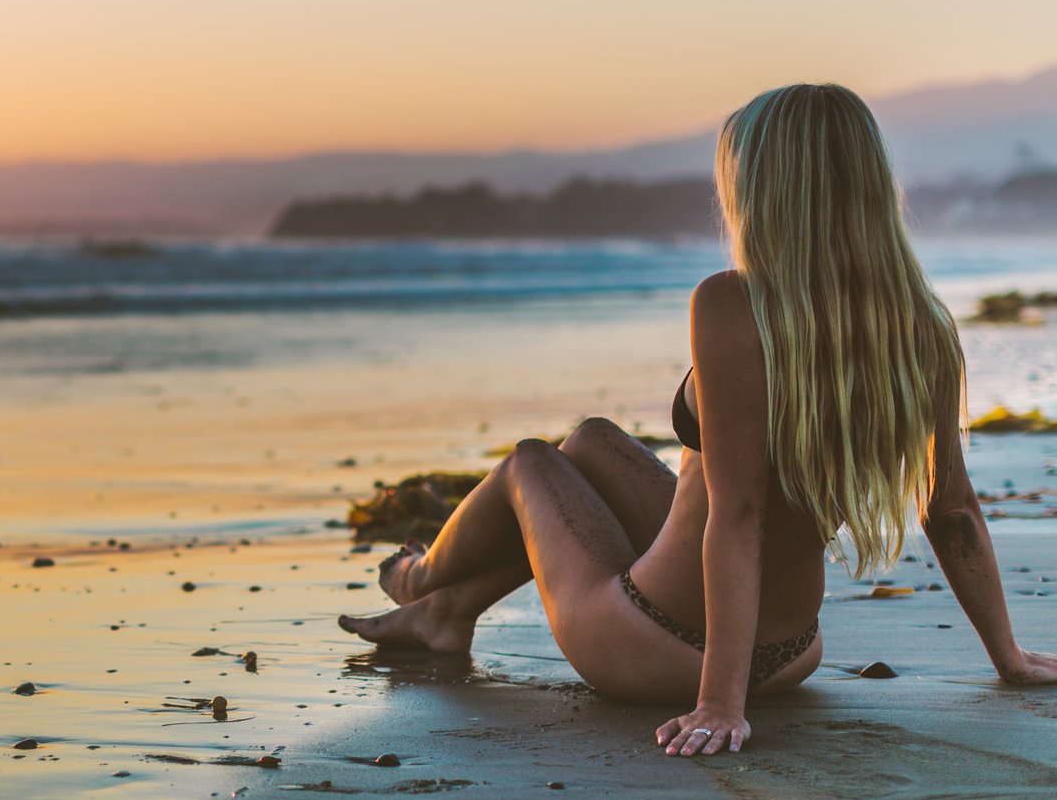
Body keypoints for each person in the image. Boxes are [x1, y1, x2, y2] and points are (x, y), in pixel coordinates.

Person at [337, 82, 1057, 756]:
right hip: (794, 649)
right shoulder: (920, 324)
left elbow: (738, 514)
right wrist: (1008, 657)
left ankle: (419, 579)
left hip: (663, 644)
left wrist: (721, 703)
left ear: (766, 190)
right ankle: (445, 614)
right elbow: (952, 506)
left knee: (532, 461)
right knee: (589, 441)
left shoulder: (734, 304)